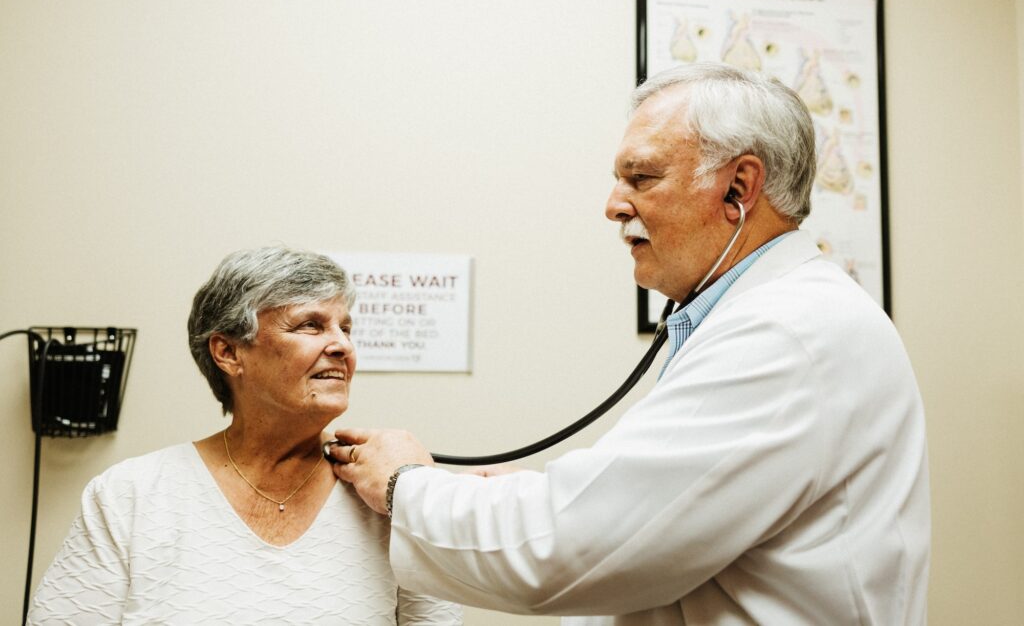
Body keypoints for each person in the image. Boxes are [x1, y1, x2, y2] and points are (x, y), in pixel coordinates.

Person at [329, 63, 930, 625]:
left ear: (739, 188)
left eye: (641, 177)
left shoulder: (787, 333)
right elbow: (640, 517)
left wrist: (404, 484)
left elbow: (569, 547)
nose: (614, 206)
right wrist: (497, 502)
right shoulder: (771, 316)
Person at [28, 247, 461, 625]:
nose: (342, 347)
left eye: (345, 328)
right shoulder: (130, 496)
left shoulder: (393, 496)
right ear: (229, 352)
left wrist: (414, 491)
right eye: (310, 325)